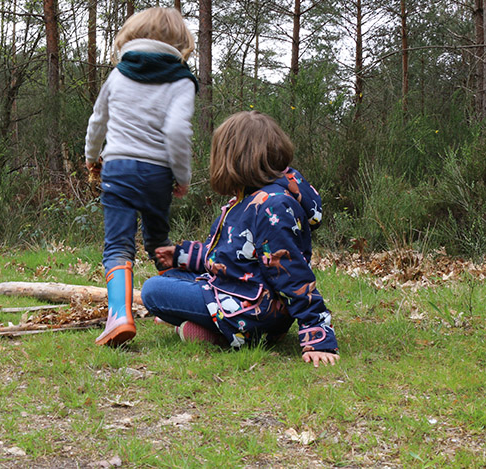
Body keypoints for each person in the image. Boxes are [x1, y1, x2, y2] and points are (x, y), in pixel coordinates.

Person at [141, 111, 339, 366]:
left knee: (154, 291)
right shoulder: (246, 201)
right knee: (169, 278)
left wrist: (317, 333)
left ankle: (237, 335)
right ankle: (218, 334)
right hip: (244, 294)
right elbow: (229, 256)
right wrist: (181, 256)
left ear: (232, 157)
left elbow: (291, 272)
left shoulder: (270, 205)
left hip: (256, 309)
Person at [85, 7, 198, 347]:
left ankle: (119, 315)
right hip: (157, 172)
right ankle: (179, 307)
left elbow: (97, 121)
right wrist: (183, 176)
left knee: (118, 243)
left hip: (117, 167)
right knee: (158, 239)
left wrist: (92, 157)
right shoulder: (181, 80)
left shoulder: (118, 75)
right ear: (180, 44)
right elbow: (178, 131)